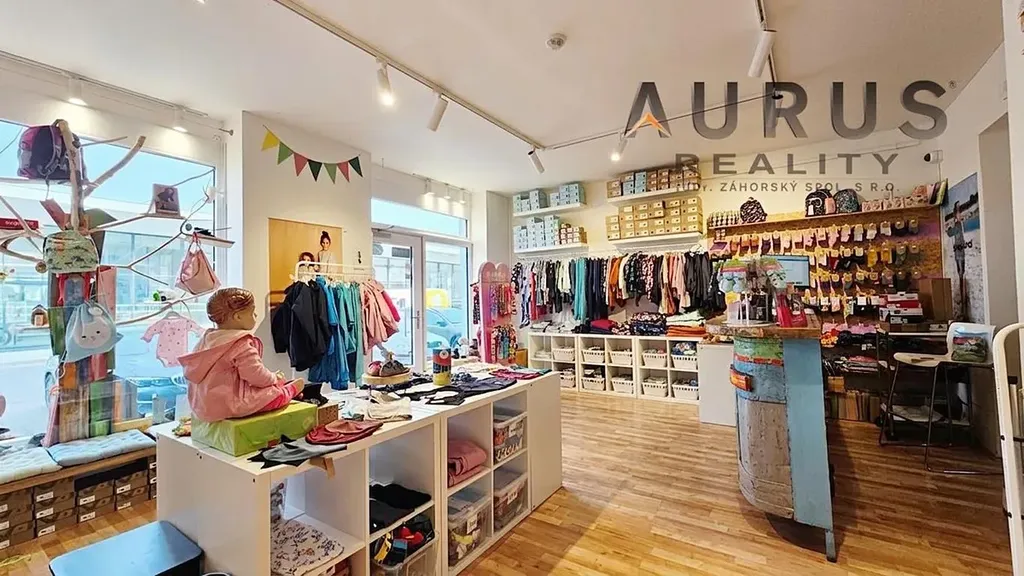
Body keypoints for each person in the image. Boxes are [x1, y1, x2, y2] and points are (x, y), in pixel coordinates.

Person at [180, 287, 303, 421]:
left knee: (266, 385)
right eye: (252, 312)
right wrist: (274, 378)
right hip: (229, 406)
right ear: (238, 317)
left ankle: (282, 385)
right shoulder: (240, 344)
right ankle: (289, 390)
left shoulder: (206, 339)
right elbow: (256, 376)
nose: (255, 315)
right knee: (272, 393)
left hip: (202, 407)